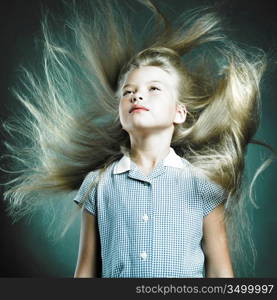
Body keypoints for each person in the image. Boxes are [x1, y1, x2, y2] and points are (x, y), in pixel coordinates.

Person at [1, 0, 275, 278]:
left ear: (179, 112)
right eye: (128, 92)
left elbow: (220, 272)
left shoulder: (203, 187)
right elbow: (85, 271)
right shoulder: (97, 185)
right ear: (121, 112)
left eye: (153, 88)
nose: (136, 95)